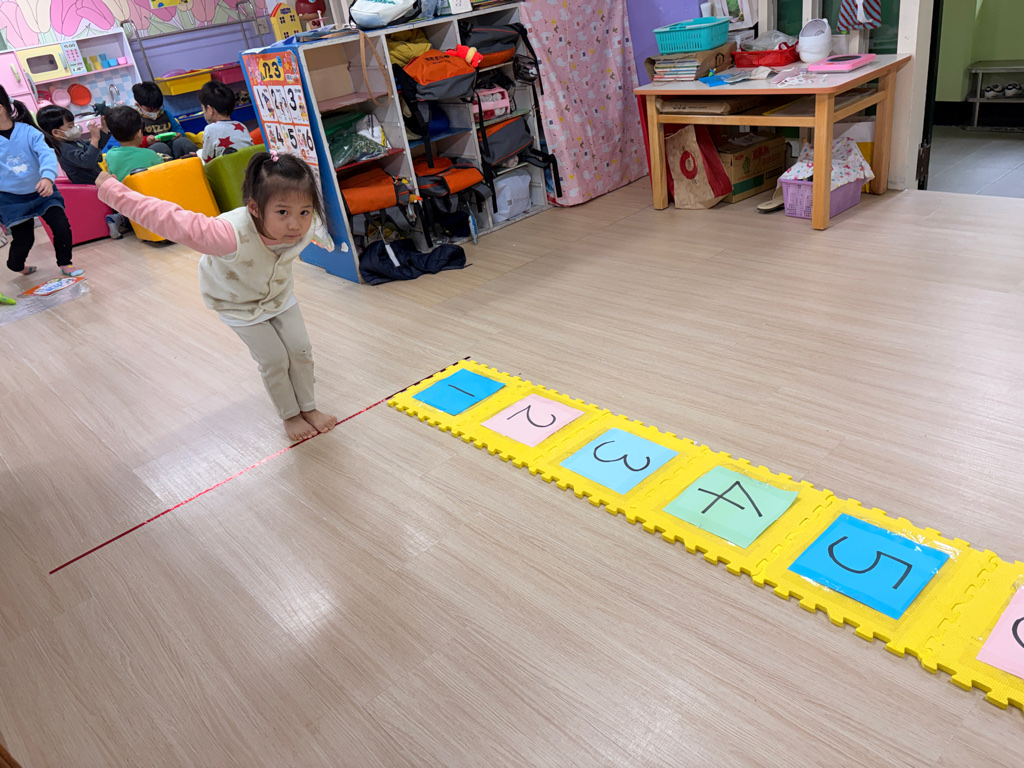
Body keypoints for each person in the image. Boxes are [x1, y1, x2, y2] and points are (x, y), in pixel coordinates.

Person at [95, 151, 338, 441]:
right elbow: (169, 219)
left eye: (304, 212)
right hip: (237, 304)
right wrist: (112, 190)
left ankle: (309, 408)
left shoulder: (305, 226)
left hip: (278, 296)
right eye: (282, 212)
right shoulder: (227, 234)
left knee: (300, 351)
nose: (295, 225)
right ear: (255, 208)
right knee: (274, 359)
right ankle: (290, 415)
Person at [0, 85, 81, 277]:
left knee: (61, 226)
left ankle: (65, 263)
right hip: (11, 198)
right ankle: (16, 264)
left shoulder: (28, 131)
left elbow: (46, 154)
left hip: (43, 191)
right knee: (24, 238)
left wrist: (47, 176)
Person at [36, 104, 130, 239]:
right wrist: (95, 139)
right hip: (91, 185)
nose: (75, 128)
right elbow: (87, 161)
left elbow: (95, 152)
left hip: (96, 181)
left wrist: (103, 130)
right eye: (70, 127)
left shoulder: (73, 142)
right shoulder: (64, 148)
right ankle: (118, 218)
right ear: (56, 132)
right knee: (122, 192)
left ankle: (120, 217)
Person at [131, 81, 197, 159]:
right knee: (160, 147)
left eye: (157, 108)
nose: (155, 111)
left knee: (183, 142)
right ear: (138, 105)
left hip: (171, 146)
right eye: (150, 109)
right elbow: (131, 144)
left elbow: (177, 129)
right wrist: (146, 141)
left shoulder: (165, 113)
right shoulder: (134, 119)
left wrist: (179, 134)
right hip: (150, 152)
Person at [103, 106, 166, 182]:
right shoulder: (151, 155)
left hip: (124, 189)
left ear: (113, 135)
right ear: (139, 133)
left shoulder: (109, 156)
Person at [198, 81, 253, 163]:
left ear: (209, 109)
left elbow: (207, 160)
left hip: (228, 169)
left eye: (203, 108)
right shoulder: (241, 125)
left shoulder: (210, 129)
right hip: (250, 167)